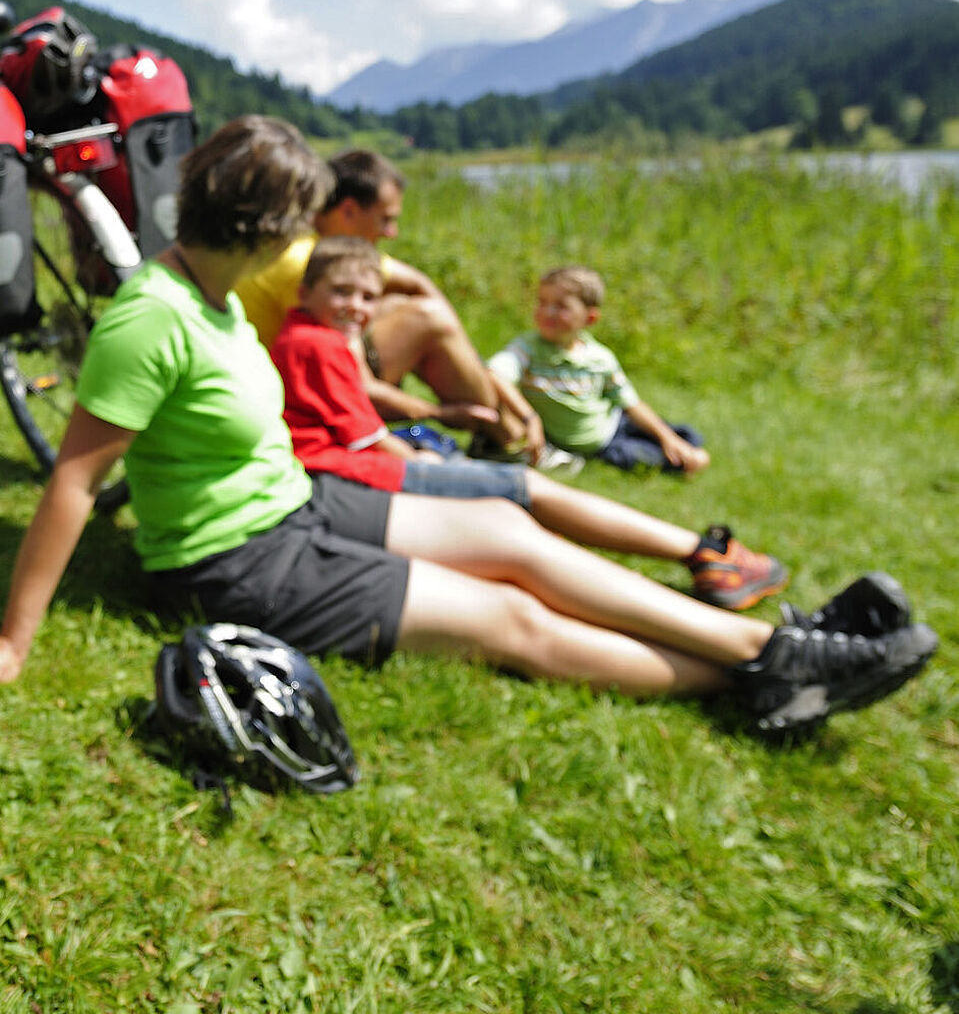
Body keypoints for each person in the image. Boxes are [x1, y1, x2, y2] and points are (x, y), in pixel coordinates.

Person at [0, 117, 937, 739]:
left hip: (299, 501)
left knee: (507, 533)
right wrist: (12, 642)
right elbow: (76, 482)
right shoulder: (154, 316)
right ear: (266, 225)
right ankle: (769, 675)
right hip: (238, 559)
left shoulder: (218, 292)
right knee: (510, 618)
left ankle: (771, 639)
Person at [272, 236, 786, 609]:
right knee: (524, 486)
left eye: (367, 297)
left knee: (510, 490)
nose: (357, 308)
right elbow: (367, 436)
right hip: (354, 472)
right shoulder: (316, 345)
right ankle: (704, 554)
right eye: (341, 293)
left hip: (346, 466)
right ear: (305, 292)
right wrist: (420, 463)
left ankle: (699, 555)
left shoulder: (310, 335)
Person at [235, 149, 539, 454]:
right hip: (288, 389)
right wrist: (438, 413)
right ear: (349, 210)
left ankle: (506, 427)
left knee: (400, 304)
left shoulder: (329, 251)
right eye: (385, 219)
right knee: (428, 319)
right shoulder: (307, 263)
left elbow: (417, 282)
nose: (391, 233)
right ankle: (507, 435)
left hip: (294, 369)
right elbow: (358, 378)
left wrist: (468, 356)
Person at [488, 264, 710, 475]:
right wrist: (530, 418)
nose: (547, 312)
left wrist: (667, 437)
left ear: (590, 317)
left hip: (617, 420)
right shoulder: (527, 349)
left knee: (680, 435)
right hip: (603, 446)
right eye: (542, 302)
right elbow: (494, 374)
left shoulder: (600, 357)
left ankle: (682, 444)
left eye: (561, 306)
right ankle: (687, 459)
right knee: (641, 456)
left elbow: (630, 403)